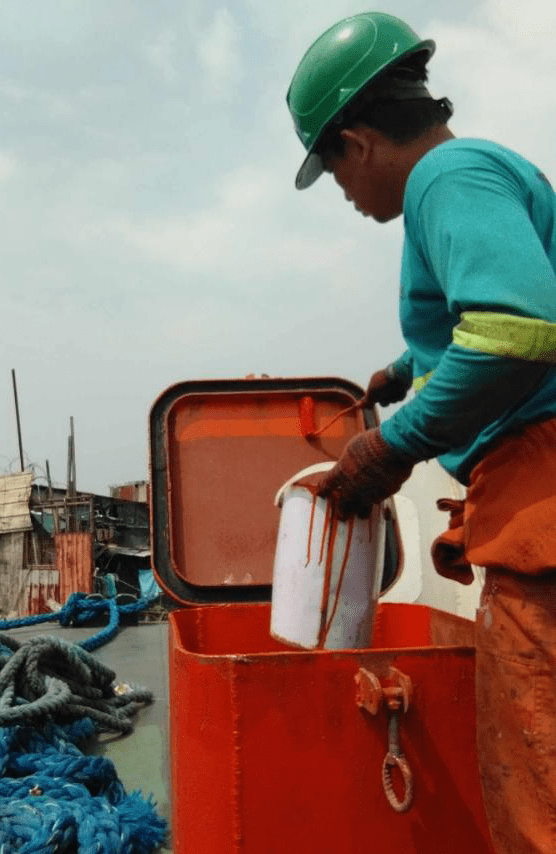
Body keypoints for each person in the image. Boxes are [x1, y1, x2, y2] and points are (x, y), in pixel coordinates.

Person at [287, 12, 556, 854]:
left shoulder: (445, 177)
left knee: (540, 797)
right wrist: (404, 369)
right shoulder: (485, 171)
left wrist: (391, 446)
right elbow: (489, 311)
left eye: (334, 172)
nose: (344, 194)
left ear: (357, 142)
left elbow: (516, 332)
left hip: (540, 496)